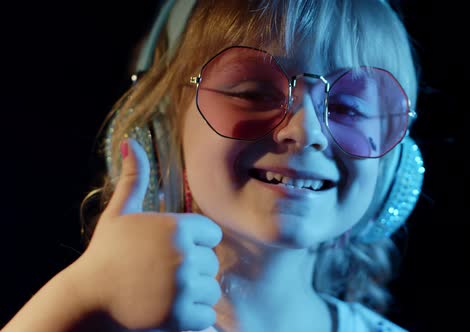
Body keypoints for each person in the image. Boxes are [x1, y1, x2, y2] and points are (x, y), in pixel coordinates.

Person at [2, 0, 424, 331]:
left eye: (349, 107)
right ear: (161, 130)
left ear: (391, 168)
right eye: (255, 93)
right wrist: (79, 300)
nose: (307, 131)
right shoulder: (97, 321)